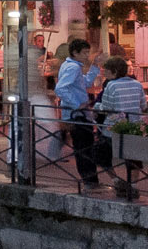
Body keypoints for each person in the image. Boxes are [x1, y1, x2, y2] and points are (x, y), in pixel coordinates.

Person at [55, 38, 103, 189]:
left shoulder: (71, 65)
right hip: (77, 114)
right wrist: (77, 105)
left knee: (84, 147)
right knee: (84, 147)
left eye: (88, 52)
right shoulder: (73, 68)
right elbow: (61, 88)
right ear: (75, 53)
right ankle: (90, 181)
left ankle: (90, 180)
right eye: (84, 53)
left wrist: (94, 66)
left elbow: (85, 83)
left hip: (76, 113)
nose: (87, 56)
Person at [96, 57, 145, 200]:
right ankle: (133, 186)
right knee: (134, 158)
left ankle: (117, 181)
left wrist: (96, 107)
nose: (104, 74)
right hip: (134, 127)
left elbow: (106, 107)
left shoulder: (111, 85)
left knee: (102, 155)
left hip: (113, 128)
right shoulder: (137, 84)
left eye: (106, 71)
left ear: (114, 72)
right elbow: (143, 105)